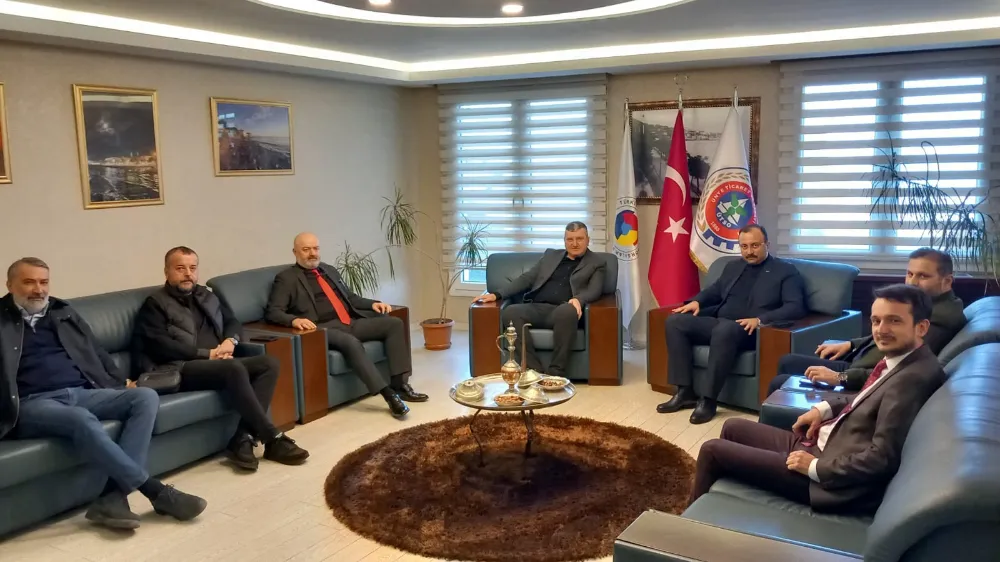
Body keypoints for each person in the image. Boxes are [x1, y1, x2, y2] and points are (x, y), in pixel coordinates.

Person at [689, 284, 946, 515]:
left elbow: (881, 458)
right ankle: (712, 509)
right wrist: (824, 409)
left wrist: (815, 467)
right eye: (876, 321)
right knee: (733, 427)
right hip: (826, 443)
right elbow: (868, 396)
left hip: (829, 480)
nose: (881, 330)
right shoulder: (903, 361)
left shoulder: (913, 379)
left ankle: (683, 527)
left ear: (921, 327)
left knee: (712, 450)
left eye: (894, 321)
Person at [0, 257, 206, 530]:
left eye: (44, 282)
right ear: (9, 284)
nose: (38, 289)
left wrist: (121, 383)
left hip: (82, 390)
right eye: (29, 282)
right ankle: (154, 490)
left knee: (144, 397)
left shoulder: (62, 311)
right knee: (81, 418)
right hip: (31, 403)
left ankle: (112, 497)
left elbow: (96, 351)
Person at [134, 247, 309, 471]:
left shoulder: (207, 295)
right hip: (180, 367)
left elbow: (232, 322)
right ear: (166, 271)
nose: (188, 273)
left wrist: (230, 341)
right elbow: (161, 346)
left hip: (217, 361)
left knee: (268, 363)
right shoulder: (155, 304)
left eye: (192, 268)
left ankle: (242, 438)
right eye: (180, 268)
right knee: (233, 368)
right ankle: (271, 437)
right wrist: (207, 354)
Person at [656, 224, 807, 423]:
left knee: (725, 329)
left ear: (767, 244)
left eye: (755, 246)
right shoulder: (733, 267)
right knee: (675, 321)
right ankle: (685, 392)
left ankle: (708, 400)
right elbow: (715, 291)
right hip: (720, 323)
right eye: (744, 246)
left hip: (752, 331)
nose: (749, 251)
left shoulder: (785, 271)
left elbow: (795, 307)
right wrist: (697, 301)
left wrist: (760, 320)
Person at [265, 233, 424, 419]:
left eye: (315, 248)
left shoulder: (329, 270)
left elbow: (351, 298)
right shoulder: (286, 278)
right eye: (306, 249)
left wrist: (373, 304)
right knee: (350, 342)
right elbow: (273, 312)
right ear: (295, 252)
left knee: (394, 324)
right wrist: (294, 320)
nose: (312, 253)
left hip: (349, 322)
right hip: (322, 329)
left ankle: (400, 385)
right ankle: (389, 395)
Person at [766, 248, 965, 396]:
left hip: (861, 378)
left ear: (947, 281)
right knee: (787, 361)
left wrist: (839, 377)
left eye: (923, 276)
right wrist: (851, 344)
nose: (912, 282)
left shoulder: (936, 320)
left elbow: (894, 369)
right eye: (910, 274)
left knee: (781, 381)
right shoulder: (927, 304)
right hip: (859, 364)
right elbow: (886, 333)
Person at [474, 221, 606, 379]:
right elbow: (527, 279)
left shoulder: (597, 262)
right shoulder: (551, 256)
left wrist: (578, 299)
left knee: (567, 310)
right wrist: (497, 294)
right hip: (537, 307)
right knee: (511, 312)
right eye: (570, 239)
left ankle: (555, 374)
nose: (575, 243)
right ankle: (533, 371)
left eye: (579, 239)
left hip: (563, 311)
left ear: (588, 240)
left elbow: (595, 289)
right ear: (564, 241)